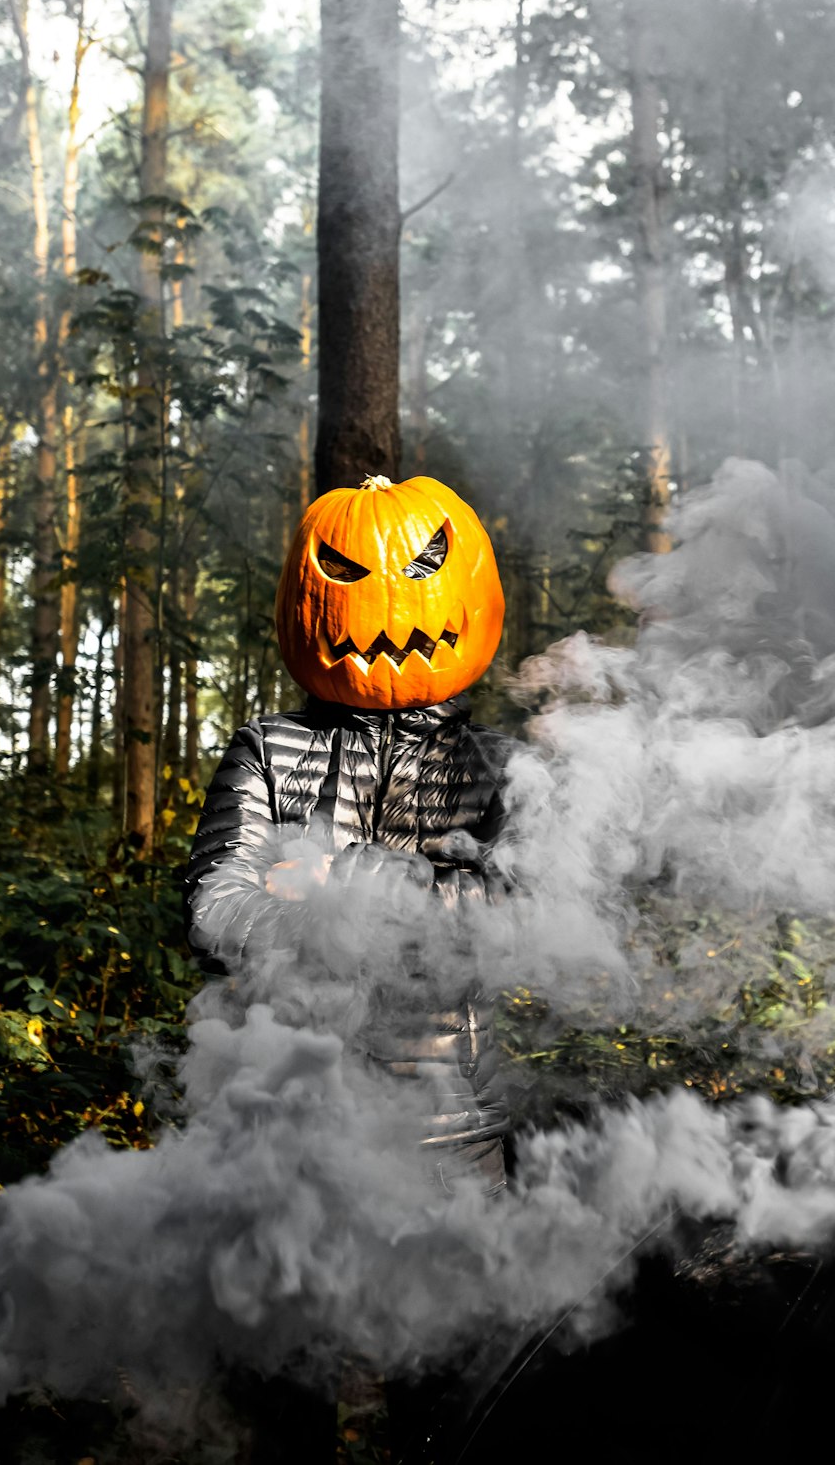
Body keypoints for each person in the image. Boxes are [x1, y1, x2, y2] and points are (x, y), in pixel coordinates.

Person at [183, 473, 515, 1461]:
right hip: (291, 1123)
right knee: (281, 1394)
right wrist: (427, 899)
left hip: (457, 1135)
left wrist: (340, 880)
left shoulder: (504, 770)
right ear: (306, 591)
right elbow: (214, 909)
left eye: (421, 566)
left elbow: (527, 919)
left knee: (453, 1403)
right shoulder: (267, 751)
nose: (386, 595)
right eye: (342, 567)